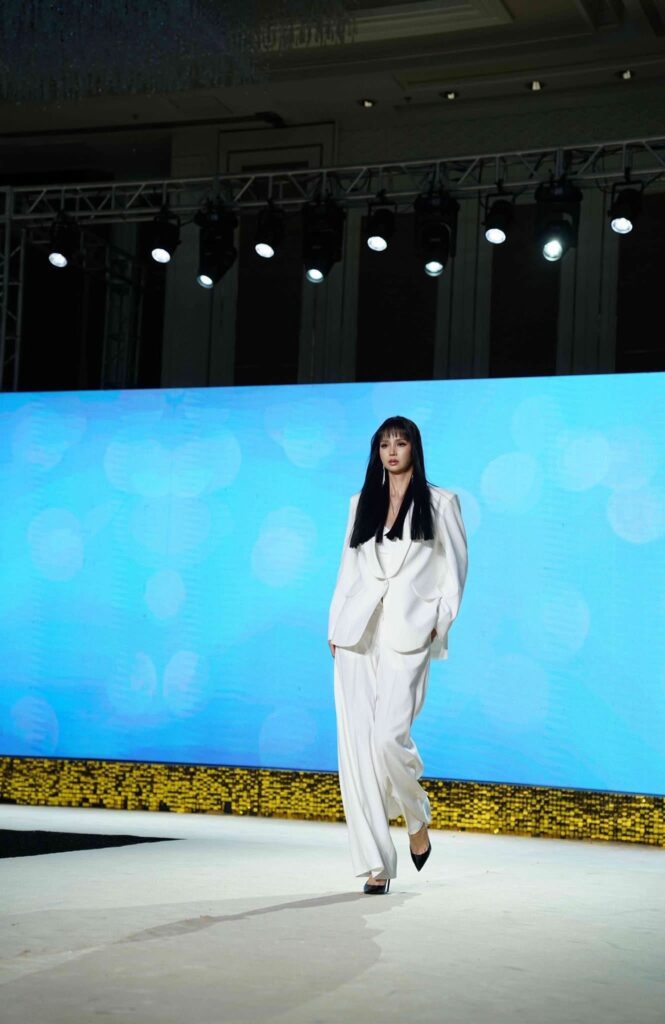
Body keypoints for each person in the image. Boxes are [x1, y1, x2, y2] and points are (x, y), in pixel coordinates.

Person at [328, 415, 468, 894]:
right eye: (384, 444)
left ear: (414, 448)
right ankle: (376, 863)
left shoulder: (441, 503)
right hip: (356, 633)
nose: (392, 451)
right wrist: (334, 625)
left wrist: (438, 622)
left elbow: (455, 573)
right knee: (357, 750)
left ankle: (415, 814)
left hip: (408, 634)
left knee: (389, 739)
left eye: (400, 443)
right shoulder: (360, 503)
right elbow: (348, 569)